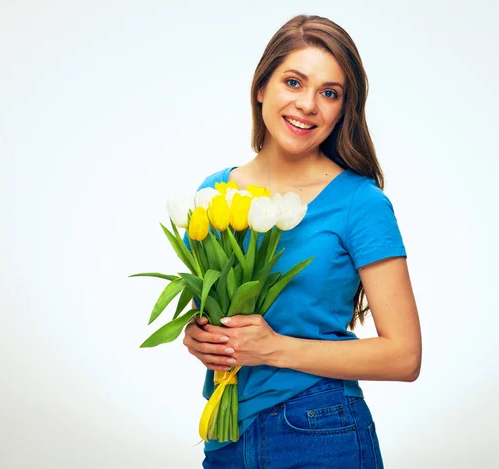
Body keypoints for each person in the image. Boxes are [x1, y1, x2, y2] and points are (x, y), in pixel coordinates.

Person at [182, 14, 422, 469]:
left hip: (320, 430)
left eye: (329, 93)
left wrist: (272, 348)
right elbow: (218, 312)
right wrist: (201, 338)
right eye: (294, 82)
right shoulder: (215, 192)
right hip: (225, 431)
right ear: (261, 87)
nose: (308, 104)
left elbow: (404, 356)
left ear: (342, 109)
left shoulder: (360, 203)